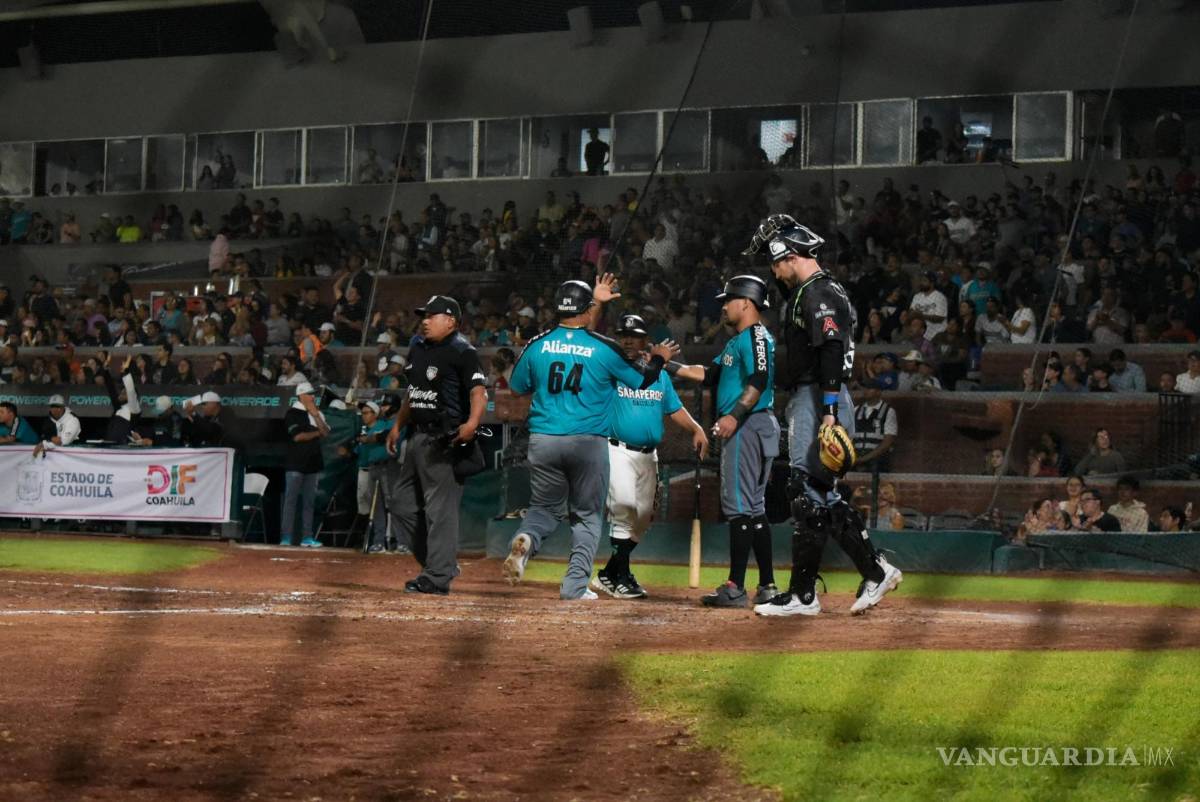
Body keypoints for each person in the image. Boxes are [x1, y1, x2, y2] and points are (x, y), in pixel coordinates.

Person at [741, 214, 901, 617]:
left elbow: (830, 350)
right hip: (812, 396)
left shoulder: (818, 293)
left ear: (789, 256)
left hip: (820, 397)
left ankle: (803, 594)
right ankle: (871, 570)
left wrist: (828, 411)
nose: (773, 271)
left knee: (806, 492)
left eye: (775, 261)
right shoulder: (812, 291)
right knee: (816, 494)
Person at [498, 276, 673, 600]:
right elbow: (641, 381)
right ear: (586, 308)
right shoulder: (603, 348)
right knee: (587, 515)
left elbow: (517, 387)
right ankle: (575, 586)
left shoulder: (538, 343)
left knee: (544, 508)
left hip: (544, 439)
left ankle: (527, 539)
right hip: (587, 442)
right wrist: (660, 357)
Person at [671, 276, 780, 608]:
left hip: (747, 423)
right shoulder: (738, 342)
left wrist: (733, 415)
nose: (723, 305)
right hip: (753, 424)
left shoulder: (756, 336)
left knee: (738, 508)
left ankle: (735, 588)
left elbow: (759, 379)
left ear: (746, 302)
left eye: (729, 299)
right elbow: (710, 373)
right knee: (755, 508)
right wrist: (666, 366)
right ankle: (768, 586)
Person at [592, 314, 708, 600]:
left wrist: (695, 427)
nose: (628, 340)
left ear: (646, 341)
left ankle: (610, 574)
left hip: (648, 457)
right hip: (616, 449)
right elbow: (590, 342)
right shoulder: (610, 368)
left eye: (635, 335)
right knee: (624, 507)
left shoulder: (660, 377)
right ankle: (621, 577)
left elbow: (674, 408)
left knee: (642, 519)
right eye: (623, 335)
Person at [384, 295, 487, 595]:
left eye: (432, 315)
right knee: (400, 503)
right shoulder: (417, 346)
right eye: (424, 315)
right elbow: (412, 392)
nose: (425, 320)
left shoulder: (463, 351)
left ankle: (438, 576)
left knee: (440, 512)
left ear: (451, 321)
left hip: (446, 439)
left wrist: (472, 424)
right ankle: (439, 563)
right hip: (417, 437)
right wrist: (397, 425)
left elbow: (478, 392)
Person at [281, 382, 329, 548]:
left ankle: (307, 537)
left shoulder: (318, 413)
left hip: (313, 463)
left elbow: (327, 433)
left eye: (313, 393)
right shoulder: (292, 413)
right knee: (290, 501)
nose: (313, 396)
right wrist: (317, 432)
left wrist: (315, 415)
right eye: (309, 394)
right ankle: (286, 537)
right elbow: (298, 437)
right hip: (295, 463)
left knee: (309, 502)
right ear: (301, 396)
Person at [352, 401, 396, 553]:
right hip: (369, 468)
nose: (363, 416)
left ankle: (392, 539)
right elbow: (356, 449)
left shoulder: (384, 425)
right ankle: (377, 541)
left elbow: (384, 437)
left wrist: (369, 439)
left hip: (387, 467)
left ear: (375, 414)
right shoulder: (362, 430)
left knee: (390, 504)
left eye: (366, 412)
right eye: (362, 413)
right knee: (372, 507)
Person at [852, 379, 898, 473]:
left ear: (878, 392)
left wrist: (865, 458)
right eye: (864, 388)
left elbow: (887, 441)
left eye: (870, 388)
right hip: (856, 457)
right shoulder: (856, 410)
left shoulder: (888, 411)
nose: (865, 391)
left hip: (878, 460)